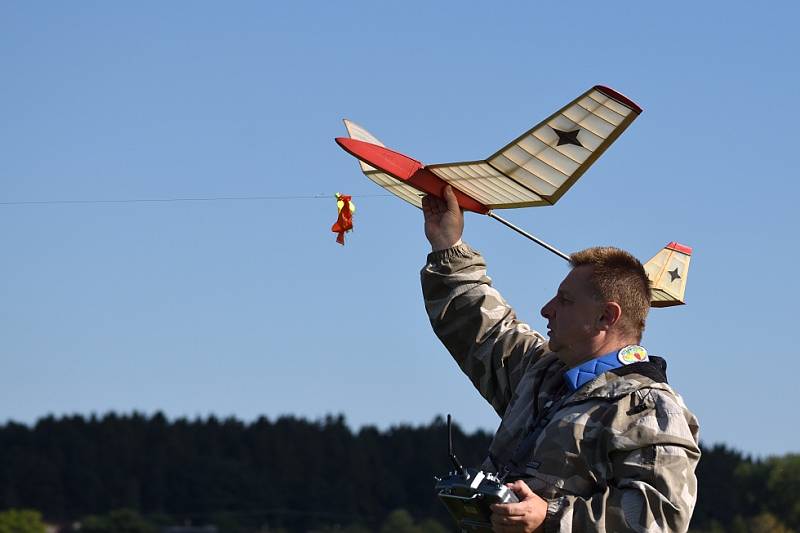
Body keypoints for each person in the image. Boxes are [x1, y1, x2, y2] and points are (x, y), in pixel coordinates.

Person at [421, 186, 700, 533]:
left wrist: (548, 516)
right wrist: (448, 245)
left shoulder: (649, 409)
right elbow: (482, 327)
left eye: (565, 301)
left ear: (605, 317)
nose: (546, 310)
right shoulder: (542, 371)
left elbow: (659, 520)